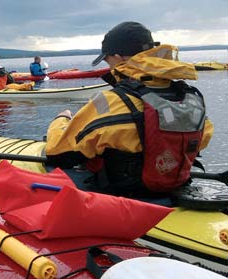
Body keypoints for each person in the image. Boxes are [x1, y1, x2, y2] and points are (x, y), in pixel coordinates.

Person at [45, 21, 214, 196]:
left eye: (107, 59)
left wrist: (61, 120)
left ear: (118, 58)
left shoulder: (110, 101)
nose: (108, 66)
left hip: (124, 198)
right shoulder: (190, 98)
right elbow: (202, 139)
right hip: (175, 190)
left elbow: (59, 153)